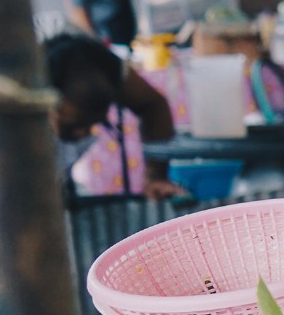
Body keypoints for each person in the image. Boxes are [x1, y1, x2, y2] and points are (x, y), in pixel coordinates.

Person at [46, 33, 185, 200]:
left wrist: (155, 177)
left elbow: (152, 105)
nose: (84, 134)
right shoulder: (21, 93)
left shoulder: (99, 63)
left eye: (93, 123)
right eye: (72, 125)